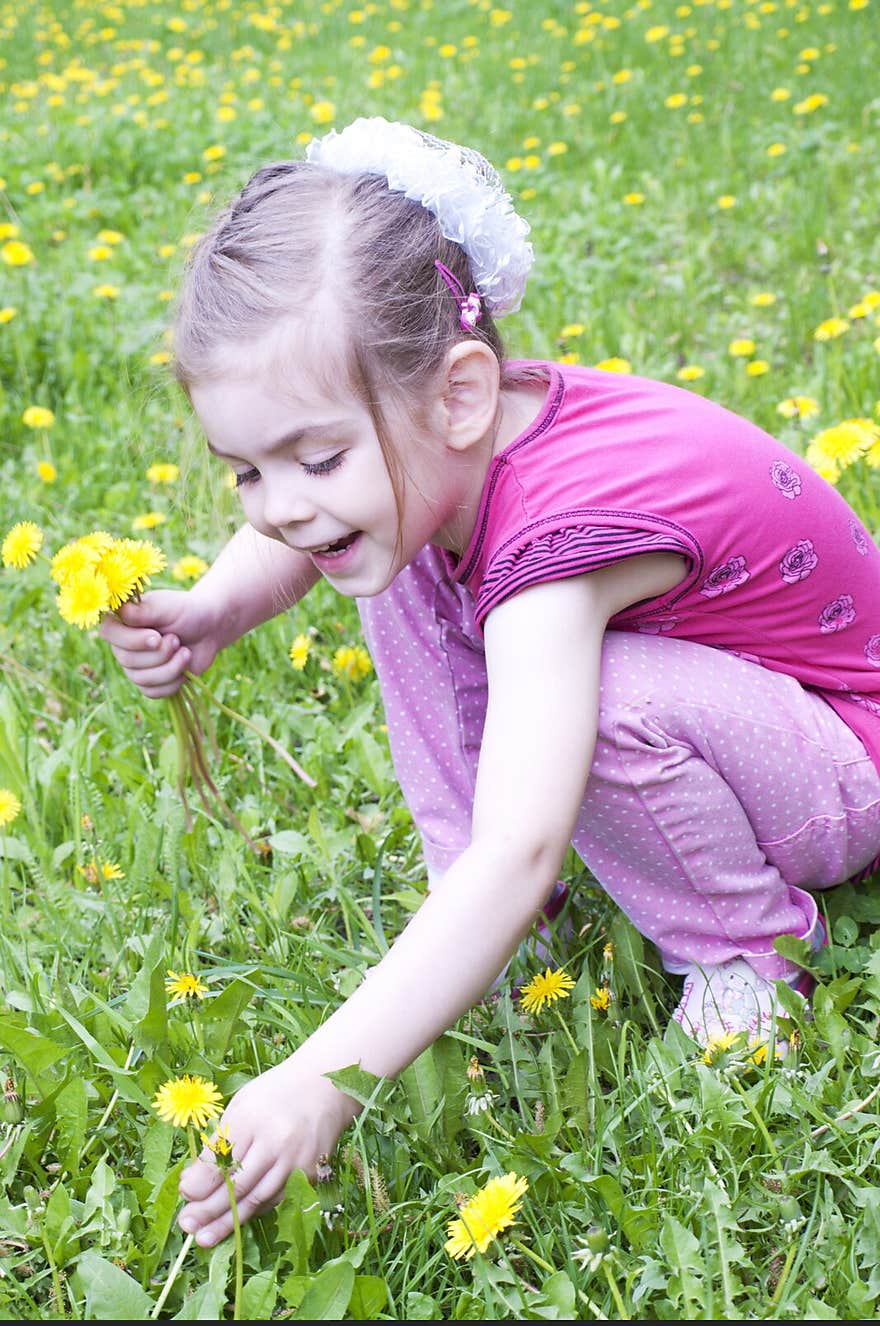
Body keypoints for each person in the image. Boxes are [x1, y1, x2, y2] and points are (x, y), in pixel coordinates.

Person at [100, 117, 880, 1248]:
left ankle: (746, 960)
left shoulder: (556, 546)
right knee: (379, 550)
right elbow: (304, 530)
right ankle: (464, 909)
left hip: (844, 759)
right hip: (755, 721)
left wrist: (328, 1075)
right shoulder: (446, 448)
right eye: (245, 469)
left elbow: (525, 842)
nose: (277, 502)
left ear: (461, 390)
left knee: (595, 702)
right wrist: (217, 606)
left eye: (315, 457)